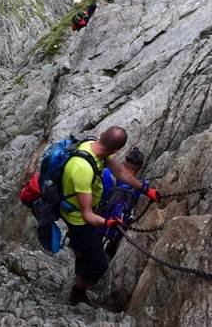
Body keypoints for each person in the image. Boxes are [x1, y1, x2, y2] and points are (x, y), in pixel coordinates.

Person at [61, 127, 159, 306]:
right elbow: (87, 215)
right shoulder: (82, 169)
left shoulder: (94, 146)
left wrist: (145, 189)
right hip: (78, 218)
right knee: (100, 264)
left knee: (83, 246)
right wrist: (108, 222)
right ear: (116, 150)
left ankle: (80, 260)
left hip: (83, 211)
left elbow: (121, 173)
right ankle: (77, 292)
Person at [99, 146, 146, 258]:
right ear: (140, 167)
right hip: (119, 231)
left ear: (124, 160)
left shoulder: (106, 174)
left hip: (99, 223)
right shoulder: (142, 186)